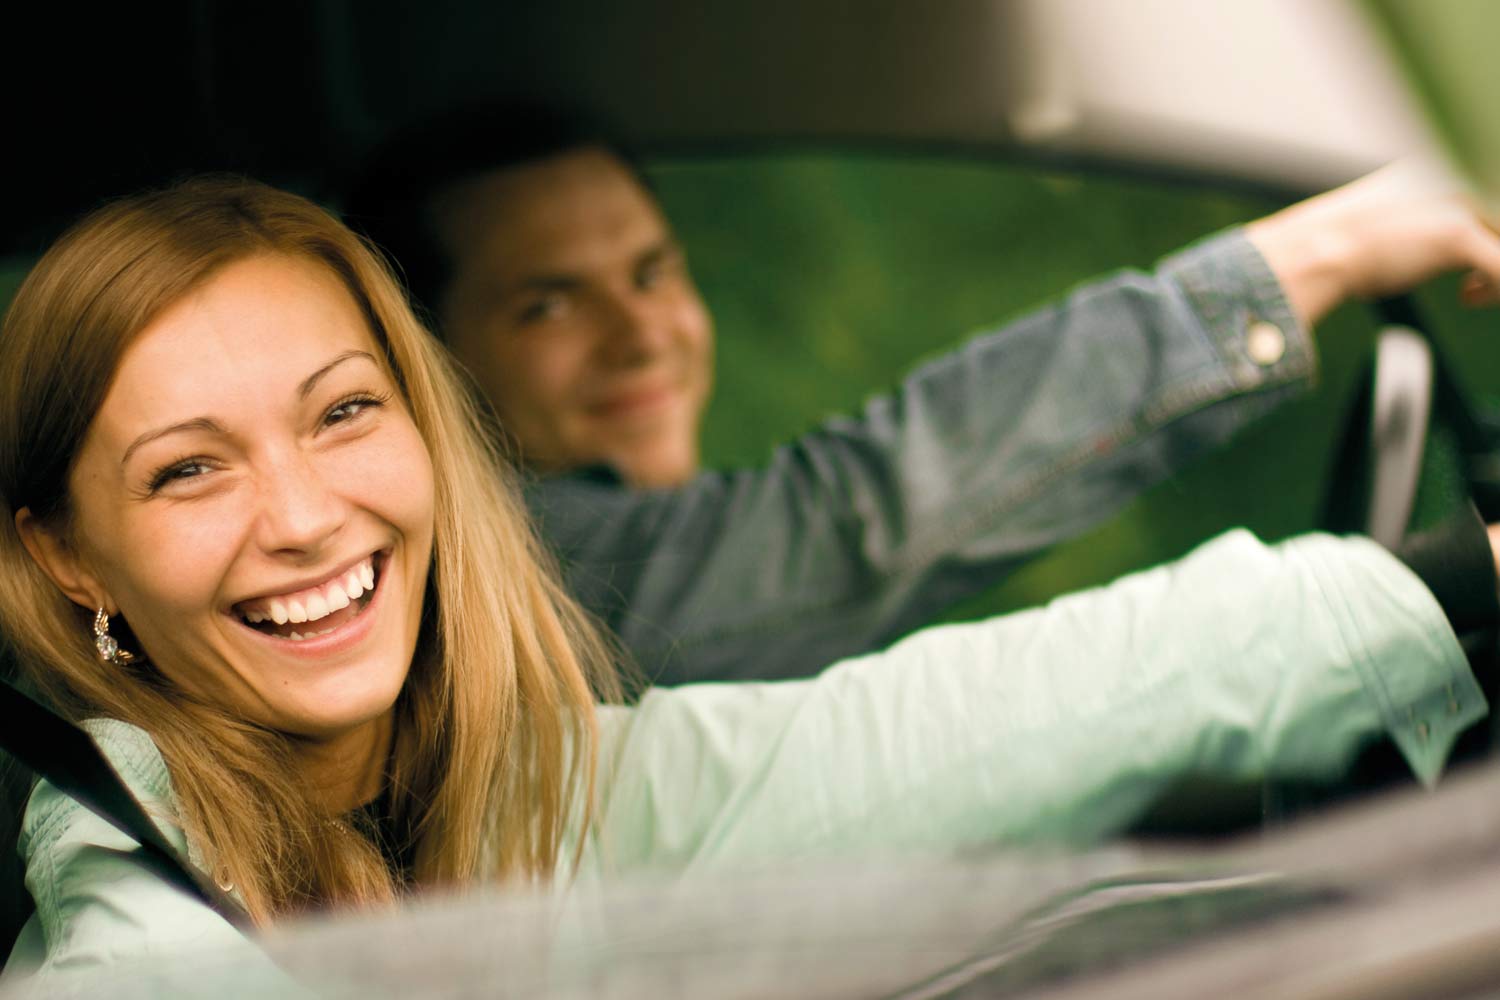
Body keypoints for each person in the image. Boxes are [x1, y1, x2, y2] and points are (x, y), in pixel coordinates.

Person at [0, 178, 1493, 983]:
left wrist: (1444, 590)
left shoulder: (546, 789)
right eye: (189, 469)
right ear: (69, 558)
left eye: (344, 413)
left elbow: (969, 720)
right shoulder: (141, 961)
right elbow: (849, 519)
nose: (306, 515)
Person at [346, 107, 1500, 685]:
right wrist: (1323, 253)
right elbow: (849, 525)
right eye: (547, 304)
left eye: (653, 272)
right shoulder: (492, 596)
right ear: (428, 369)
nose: (642, 331)